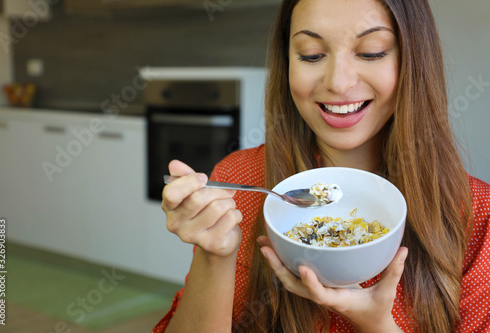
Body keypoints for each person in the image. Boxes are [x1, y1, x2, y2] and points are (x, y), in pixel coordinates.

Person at [153, 0, 490, 332]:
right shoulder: (237, 179)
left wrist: (377, 325)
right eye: (311, 55)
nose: (339, 83)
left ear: (412, 59)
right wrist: (215, 256)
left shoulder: (477, 211)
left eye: (371, 51)